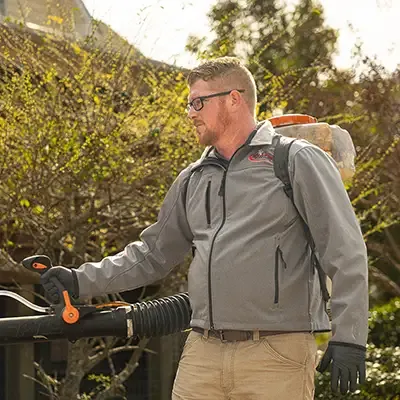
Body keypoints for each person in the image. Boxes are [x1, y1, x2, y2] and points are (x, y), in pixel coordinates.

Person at [41, 57, 368, 400]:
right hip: (203, 352)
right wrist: (80, 280)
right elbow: (152, 254)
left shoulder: (296, 160)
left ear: (234, 99)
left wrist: (349, 336)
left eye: (198, 102)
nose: (190, 112)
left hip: (276, 353)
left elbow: (344, 250)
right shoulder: (193, 179)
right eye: (188, 104)